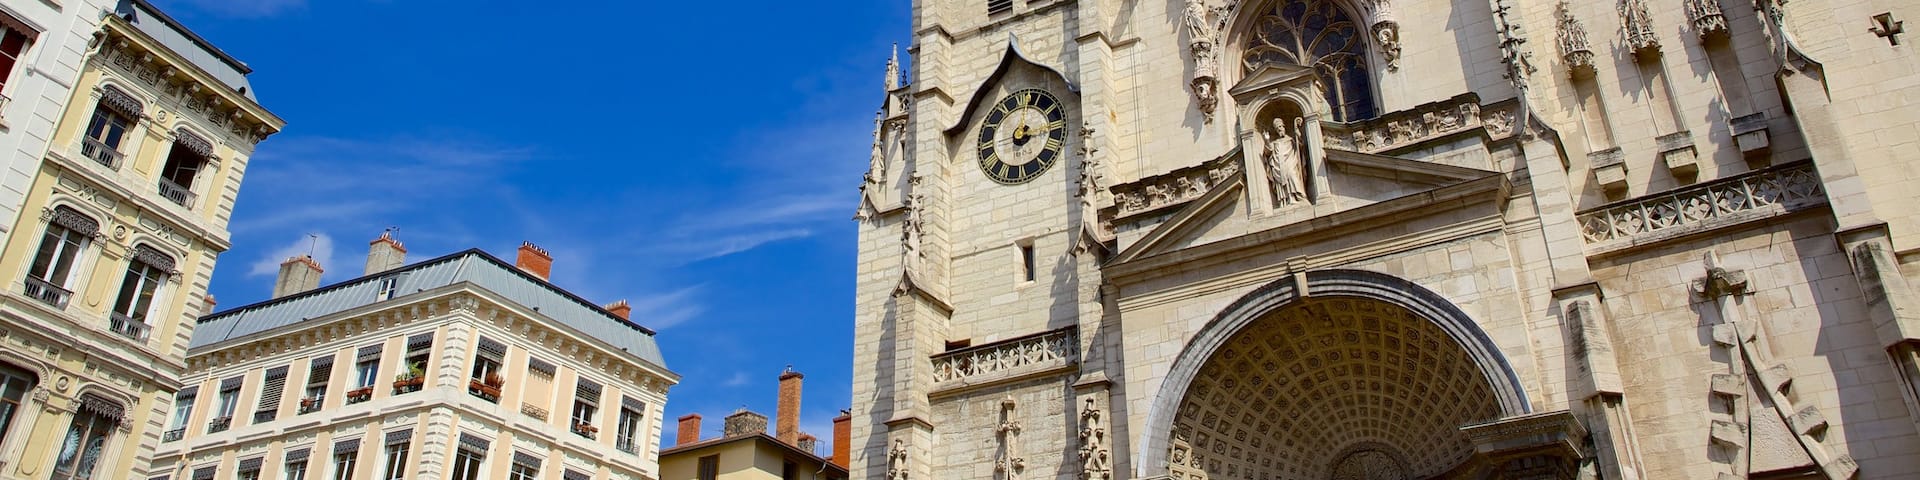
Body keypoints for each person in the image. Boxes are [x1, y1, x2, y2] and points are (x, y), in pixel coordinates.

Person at [1265, 117, 1308, 204]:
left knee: (1292, 175)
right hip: (1279, 165)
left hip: (1291, 162)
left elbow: (1300, 146)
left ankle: (1299, 196)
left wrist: (1298, 135)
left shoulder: (1291, 139)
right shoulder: (1275, 142)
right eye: (1277, 128)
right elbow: (1268, 151)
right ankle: (1288, 199)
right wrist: (1267, 140)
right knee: (1281, 180)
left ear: (1284, 127)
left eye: (1280, 127)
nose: (1279, 129)